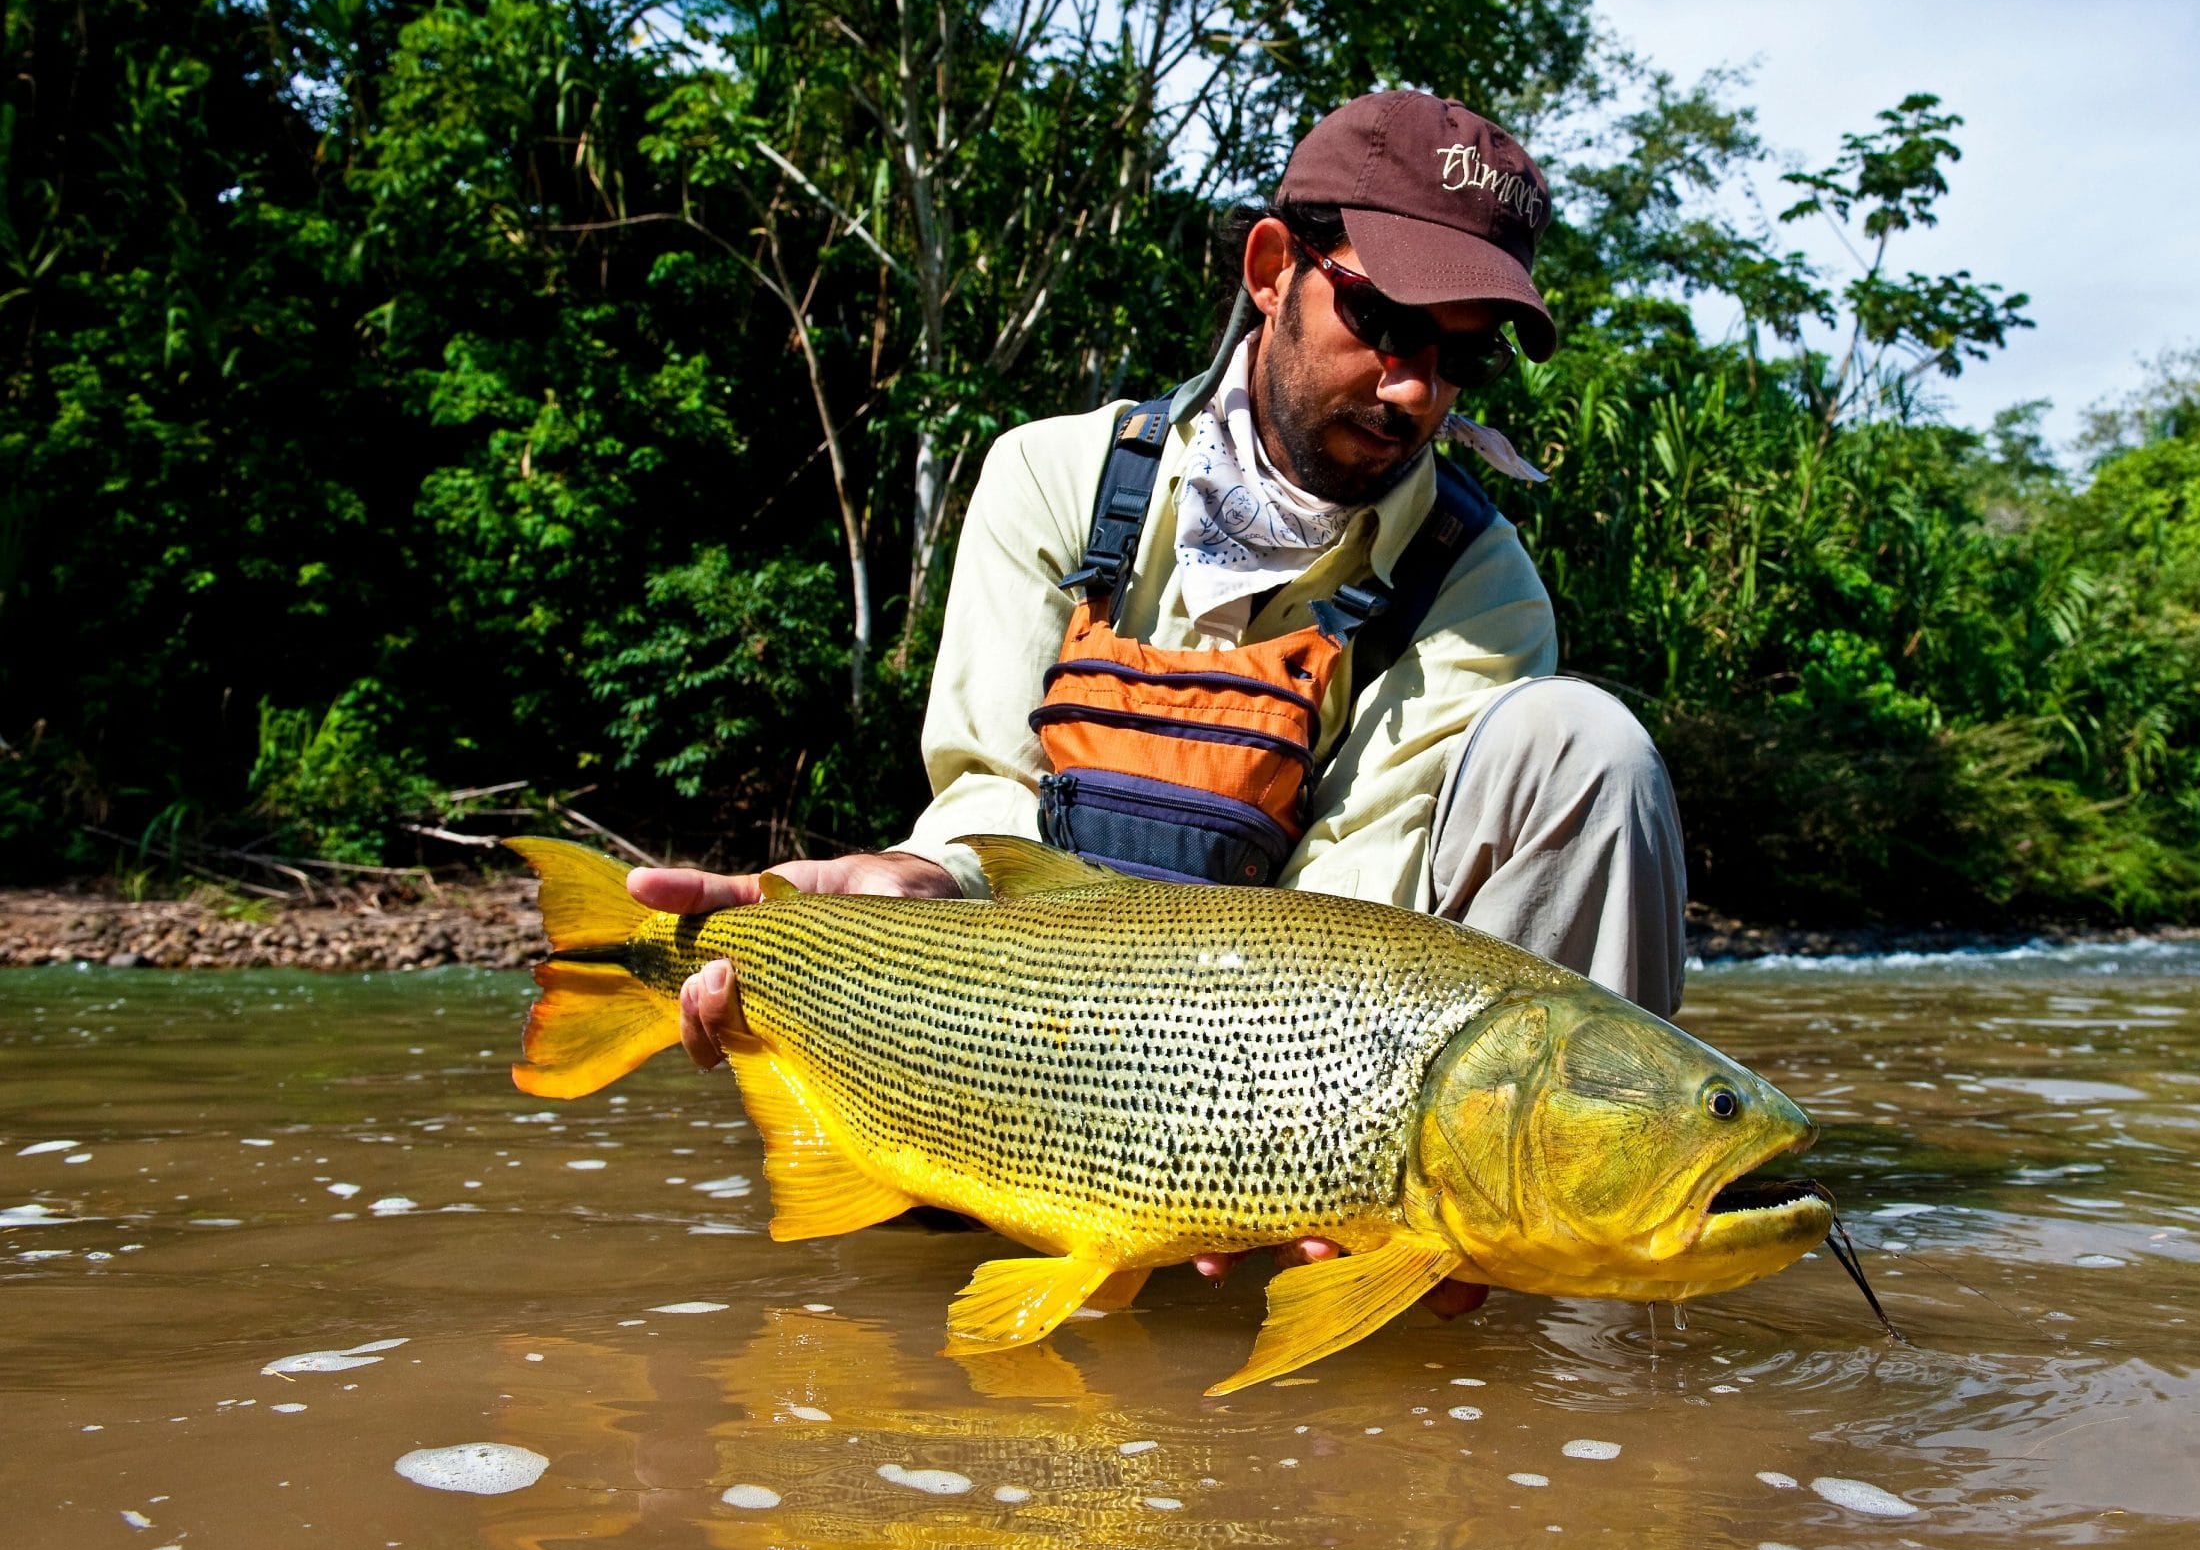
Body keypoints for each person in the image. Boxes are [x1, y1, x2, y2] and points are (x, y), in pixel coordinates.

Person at [631, 90, 1689, 1312]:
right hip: (1019, 1018)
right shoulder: (1053, 473)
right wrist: (921, 882)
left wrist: (1273, 1150)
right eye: (1386, 320)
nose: (1415, 391)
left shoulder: (1480, 582)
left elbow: (1355, 914)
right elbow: (986, 792)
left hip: (1284, 1070)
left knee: (1588, 745)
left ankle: (1539, 1266)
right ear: (1269, 268)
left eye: (1462, 356)